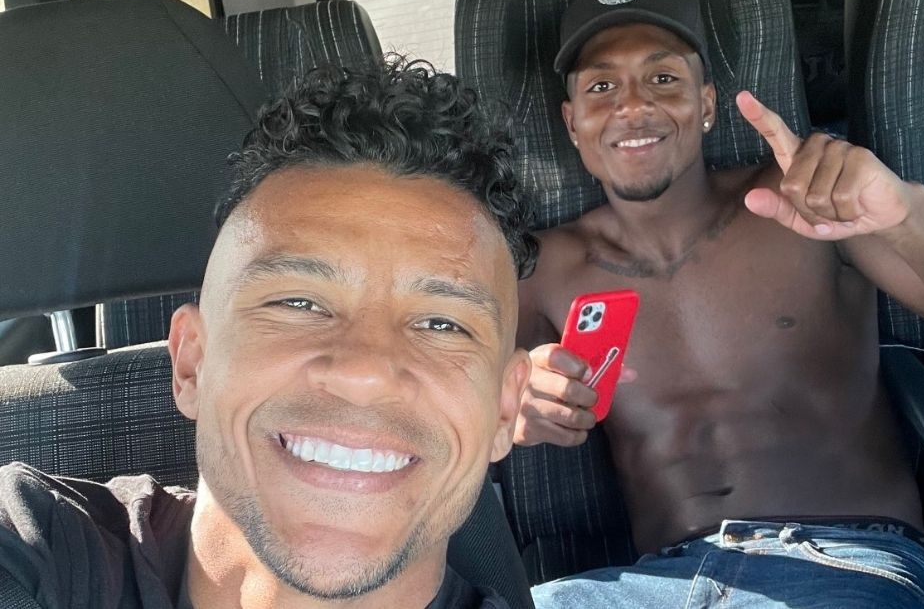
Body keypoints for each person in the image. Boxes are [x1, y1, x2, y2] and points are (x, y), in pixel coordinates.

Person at [0, 57, 538, 608]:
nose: (364, 374)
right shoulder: (32, 546)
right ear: (191, 364)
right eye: (298, 303)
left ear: (504, 409)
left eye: (442, 324)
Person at [514, 0, 924, 606]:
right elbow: (445, 398)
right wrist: (509, 400)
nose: (632, 106)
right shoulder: (543, 269)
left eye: (663, 78)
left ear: (706, 105)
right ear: (571, 121)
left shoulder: (801, 200)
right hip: (651, 583)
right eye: (601, 86)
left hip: (850, 560)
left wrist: (907, 212)